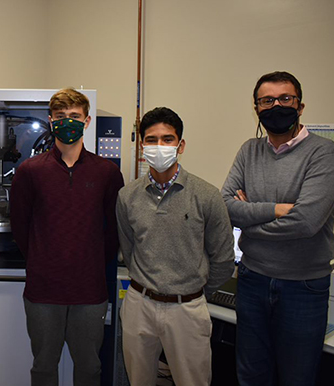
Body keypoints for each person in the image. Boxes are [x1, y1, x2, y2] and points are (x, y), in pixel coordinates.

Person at [222, 71, 334, 386]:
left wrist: (249, 220)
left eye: (285, 99)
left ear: (300, 106)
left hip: (302, 286)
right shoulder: (250, 150)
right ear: (256, 107)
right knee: (251, 374)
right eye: (267, 101)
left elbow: (306, 222)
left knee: (297, 377)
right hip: (251, 279)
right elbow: (225, 207)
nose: (276, 106)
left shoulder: (324, 153)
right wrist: (275, 210)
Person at [10, 88, 124, 386]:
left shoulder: (107, 172)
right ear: (50, 121)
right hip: (43, 291)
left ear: (87, 121)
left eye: (74, 116)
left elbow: (113, 231)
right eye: (61, 117)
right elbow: (20, 227)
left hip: (90, 292)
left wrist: (90, 262)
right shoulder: (30, 171)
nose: (67, 122)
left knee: (89, 368)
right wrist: (43, 259)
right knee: (43, 368)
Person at [116, 107, 235, 385]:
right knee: (138, 380)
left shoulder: (206, 195)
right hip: (139, 304)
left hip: (187, 309)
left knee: (192, 381)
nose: (159, 146)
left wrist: (193, 292)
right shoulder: (127, 197)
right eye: (152, 139)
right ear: (142, 145)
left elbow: (224, 259)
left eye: (167, 139)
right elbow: (130, 249)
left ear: (180, 145)